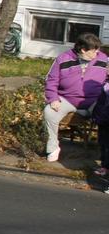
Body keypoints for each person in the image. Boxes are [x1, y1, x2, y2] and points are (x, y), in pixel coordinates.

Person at [43, 32, 108, 162]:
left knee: (107, 115)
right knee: (49, 112)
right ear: (83, 50)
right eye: (93, 51)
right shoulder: (63, 58)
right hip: (67, 99)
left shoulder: (103, 59)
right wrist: (53, 98)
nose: (97, 54)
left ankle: (104, 155)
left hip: (94, 100)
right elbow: (51, 80)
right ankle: (53, 147)